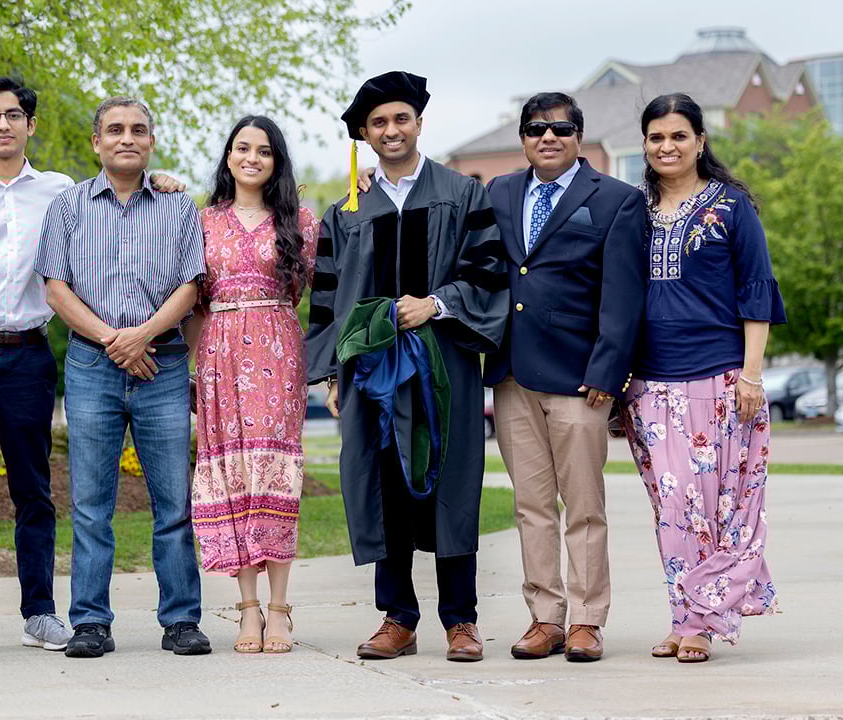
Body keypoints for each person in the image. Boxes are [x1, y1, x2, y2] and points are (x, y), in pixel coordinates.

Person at [307, 71, 508, 663]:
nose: (391, 130)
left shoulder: (463, 193)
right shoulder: (347, 209)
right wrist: (327, 373)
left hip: (443, 363)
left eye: (401, 118)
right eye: (378, 123)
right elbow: (326, 294)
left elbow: (487, 274)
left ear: (418, 123)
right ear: (364, 135)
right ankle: (398, 616)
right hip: (371, 372)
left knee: (451, 481)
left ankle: (461, 620)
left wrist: (438, 303)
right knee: (381, 482)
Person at [34, 96, 210, 659]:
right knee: (90, 502)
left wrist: (142, 336)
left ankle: (181, 620)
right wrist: (116, 340)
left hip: (163, 364)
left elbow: (192, 284)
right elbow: (55, 287)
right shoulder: (67, 207)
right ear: (96, 143)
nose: (126, 138)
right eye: (114, 130)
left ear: (151, 142)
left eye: (138, 130)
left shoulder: (180, 209)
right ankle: (89, 622)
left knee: (172, 502)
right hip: (92, 365)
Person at [482, 92, 647, 662]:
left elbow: (624, 298)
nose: (547, 137)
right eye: (535, 129)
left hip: (581, 379)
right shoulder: (498, 191)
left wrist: (609, 371)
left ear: (579, 134)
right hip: (511, 377)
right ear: (524, 137)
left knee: (583, 506)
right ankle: (545, 617)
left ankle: (587, 620)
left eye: (560, 128)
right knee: (530, 505)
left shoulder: (618, 200)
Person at [621, 92, 785, 663]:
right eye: (656, 137)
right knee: (675, 510)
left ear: (700, 141)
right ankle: (685, 617)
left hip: (722, 381)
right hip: (648, 384)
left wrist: (752, 376)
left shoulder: (732, 208)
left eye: (678, 136)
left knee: (726, 509)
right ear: (644, 144)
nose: (667, 146)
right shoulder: (631, 212)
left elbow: (757, 294)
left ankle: (698, 621)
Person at [184, 116, 317, 654]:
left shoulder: (301, 221)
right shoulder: (201, 221)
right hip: (218, 356)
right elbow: (193, 300)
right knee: (235, 477)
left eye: (264, 150)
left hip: (277, 353)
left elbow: (308, 291)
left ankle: (280, 608)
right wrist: (199, 365)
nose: (252, 158)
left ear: (276, 161)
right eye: (242, 148)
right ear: (229, 156)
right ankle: (247, 609)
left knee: (275, 473)